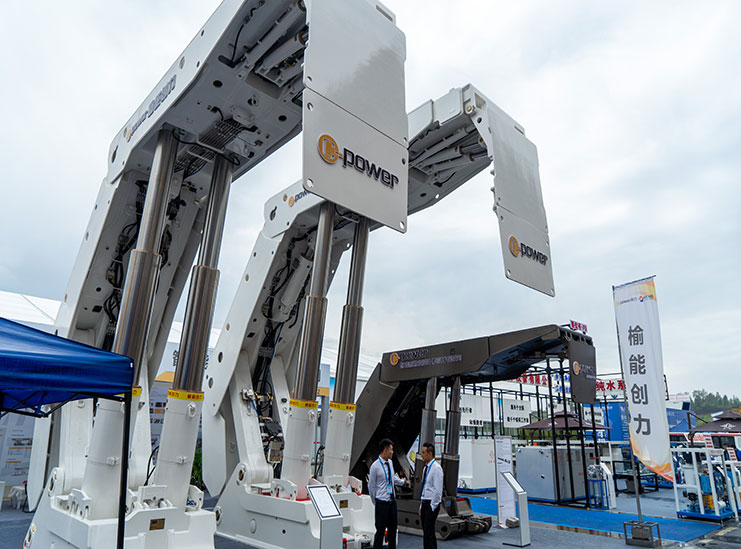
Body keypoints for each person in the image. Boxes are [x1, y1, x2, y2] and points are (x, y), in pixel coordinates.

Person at [368, 438, 405, 549]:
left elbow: (391, 477)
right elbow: (371, 486)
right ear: (385, 450)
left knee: (392, 531)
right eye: (391, 449)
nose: (392, 452)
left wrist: (401, 482)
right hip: (382, 503)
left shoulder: (390, 463)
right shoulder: (375, 466)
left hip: (392, 501)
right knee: (380, 531)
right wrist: (376, 501)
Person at [418, 442, 443, 549]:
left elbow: (438, 490)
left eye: (423, 452)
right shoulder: (426, 468)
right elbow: (425, 488)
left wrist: (432, 506)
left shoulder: (436, 468)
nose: (422, 455)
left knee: (429, 533)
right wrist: (421, 505)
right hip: (425, 503)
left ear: (430, 453)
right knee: (427, 532)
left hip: (431, 504)